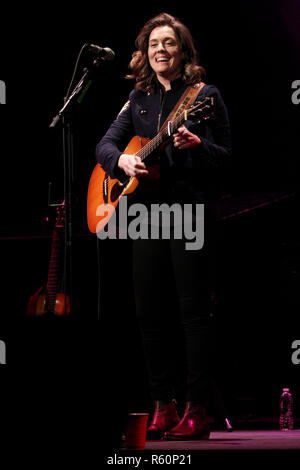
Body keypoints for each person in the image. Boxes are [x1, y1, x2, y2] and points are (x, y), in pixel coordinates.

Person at [95, 12, 231, 440]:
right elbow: (106, 144)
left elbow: (226, 156)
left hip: (190, 211)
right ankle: (163, 405)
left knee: (192, 314)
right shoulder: (137, 98)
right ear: (144, 52)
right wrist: (121, 160)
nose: (160, 50)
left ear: (183, 51)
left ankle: (197, 409)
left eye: (169, 43)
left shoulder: (204, 96)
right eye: (154, 44)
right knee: (148, 313)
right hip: (144, 216)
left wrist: (199, 144)